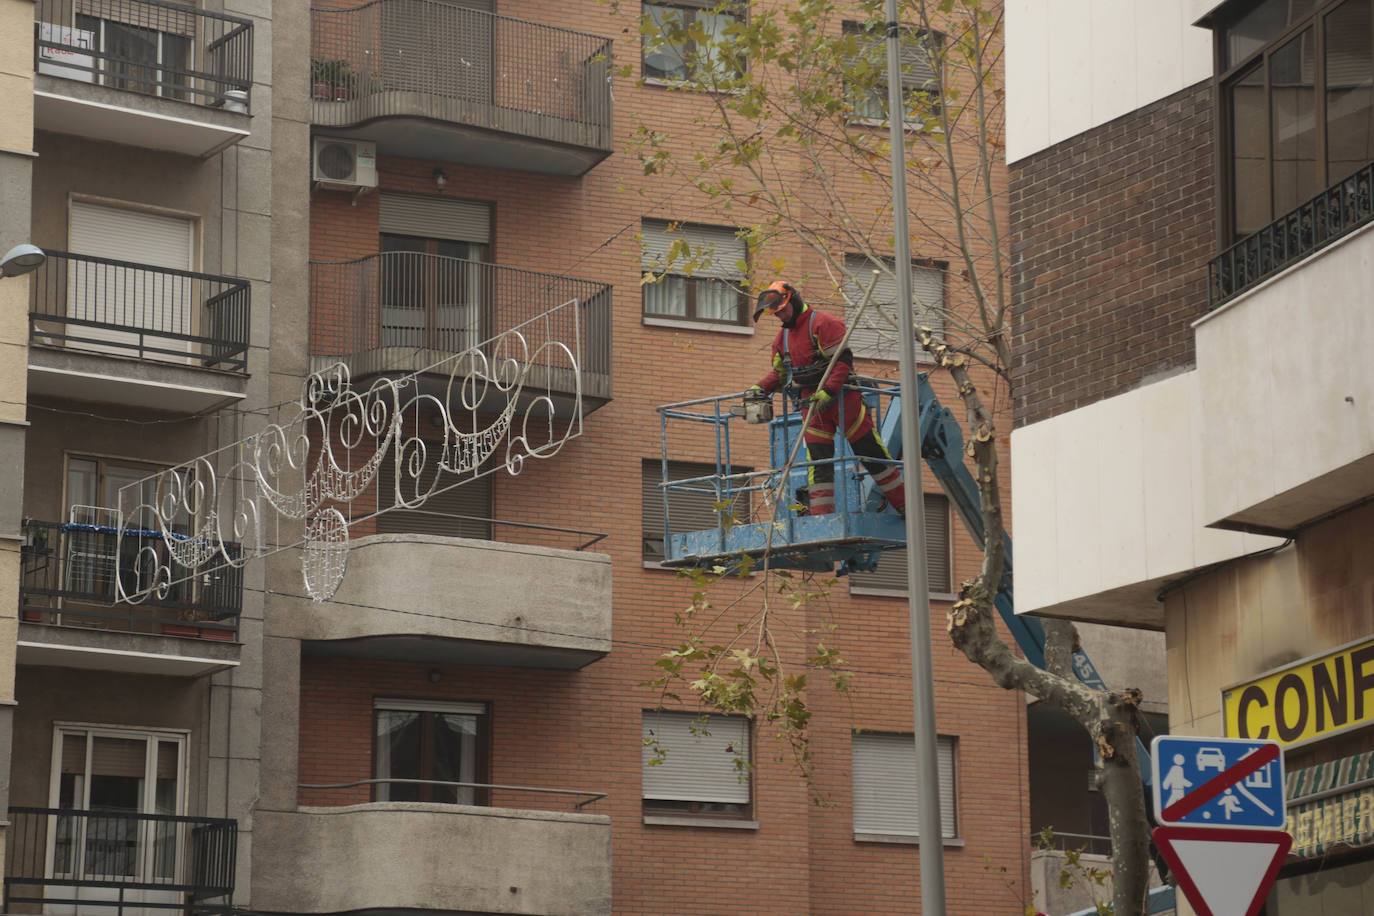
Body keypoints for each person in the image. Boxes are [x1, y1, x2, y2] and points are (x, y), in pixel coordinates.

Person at [747, 280, 905, 517]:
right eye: (776, 314)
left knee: (872, 455)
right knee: (819, 467)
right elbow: (780, 374)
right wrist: (759, 388)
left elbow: (842, 362)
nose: (781, 317)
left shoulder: (823, 323)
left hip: (843, 401)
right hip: (812, 407)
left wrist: (828, 391)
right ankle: (822, 519)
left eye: (783, 311)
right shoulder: (782, 340)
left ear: (794, 300)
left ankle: (906, 507)